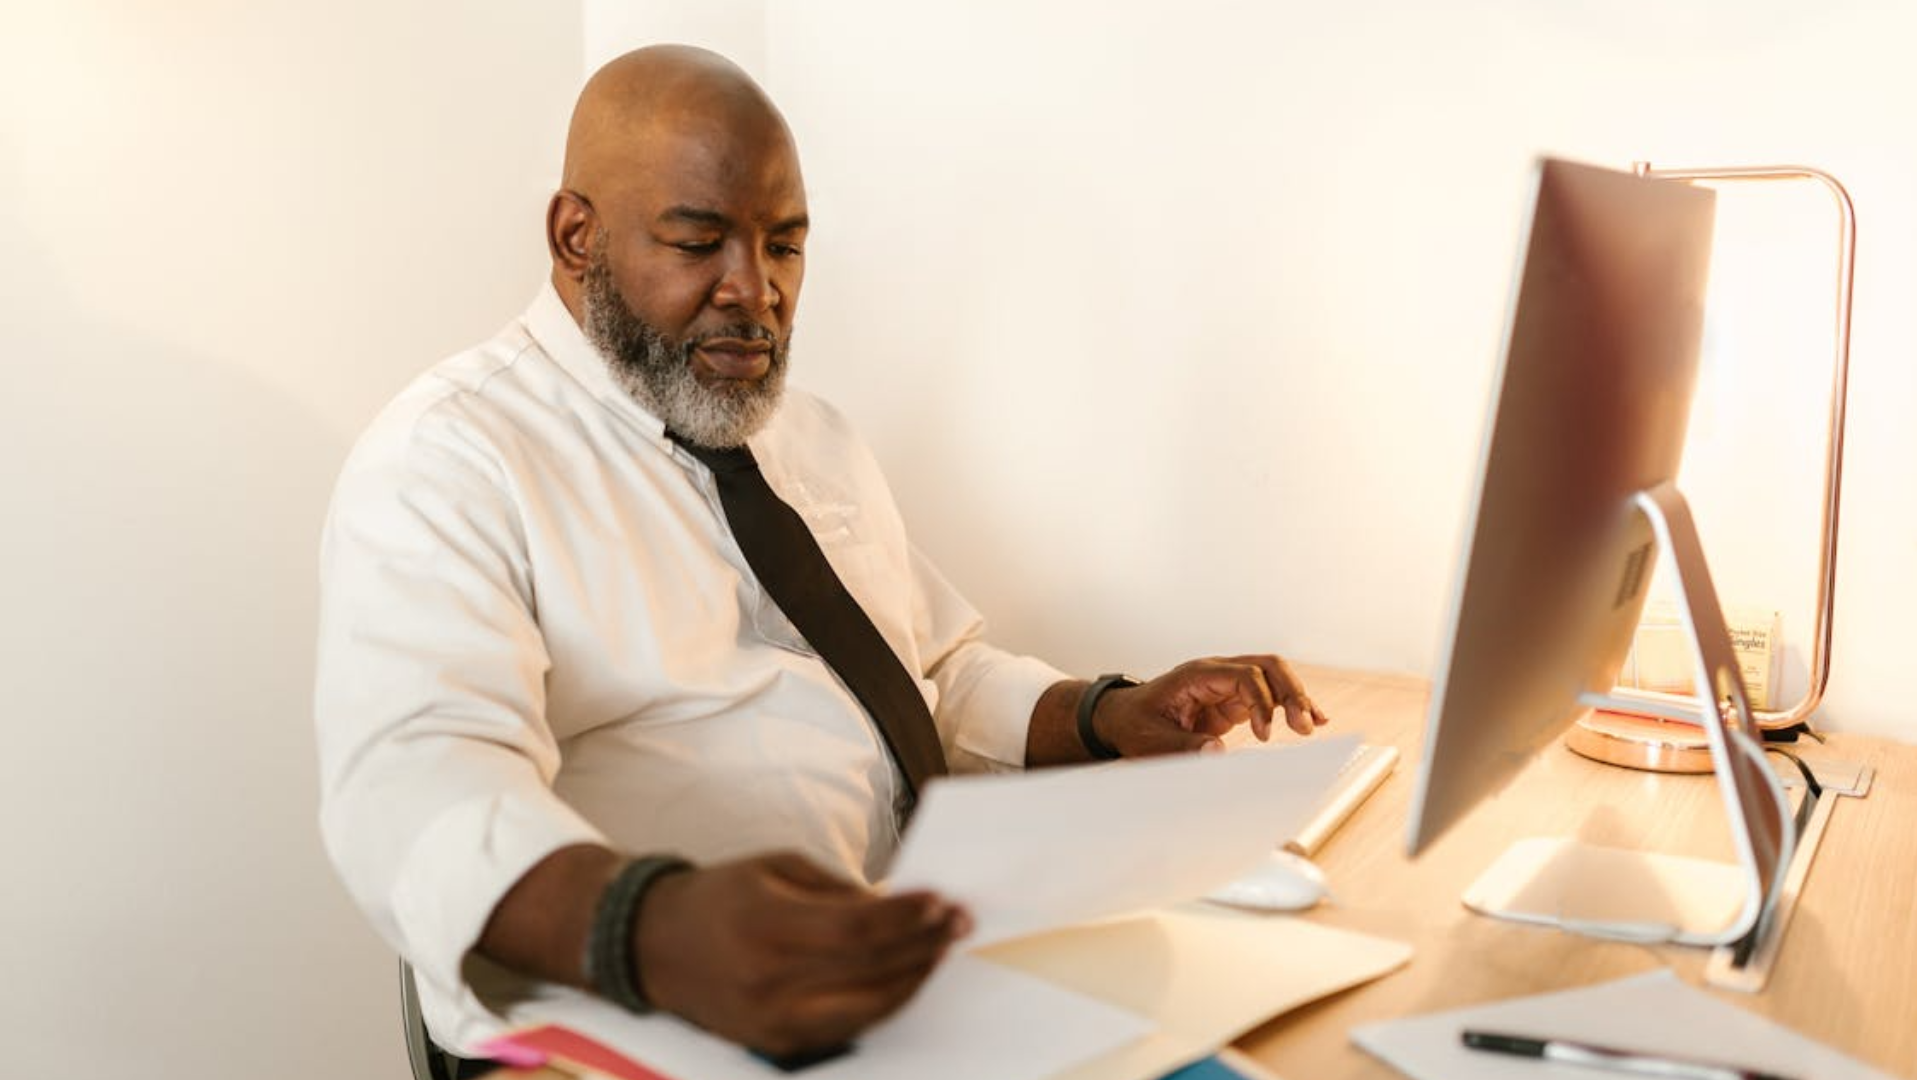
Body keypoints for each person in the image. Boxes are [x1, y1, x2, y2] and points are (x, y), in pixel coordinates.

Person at [315, 43, 1330, 1068]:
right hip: (650, 1022)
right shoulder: (450, 461)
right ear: (577, 237)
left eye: (785, 246)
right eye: (699, 241)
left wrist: (1104, 714)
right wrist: (652, 930)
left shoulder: (812, 439)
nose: (753, 291)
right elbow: (416, 789)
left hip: (902, 975)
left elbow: (928, 674)